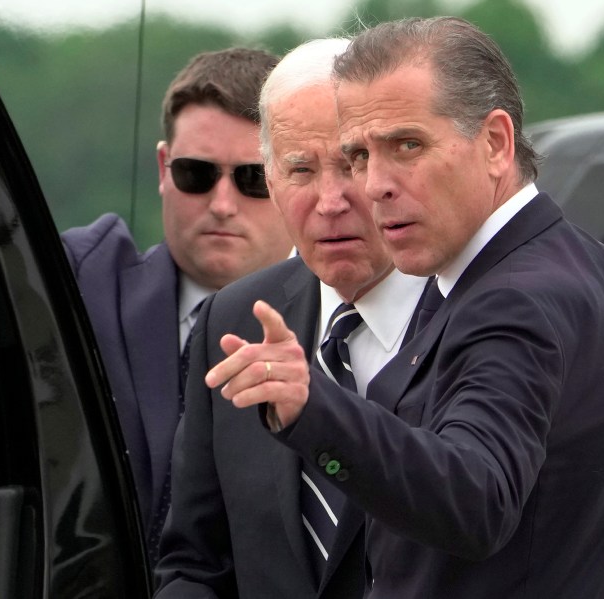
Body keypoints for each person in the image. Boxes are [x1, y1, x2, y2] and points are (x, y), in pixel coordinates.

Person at [206, 17, 604, 598]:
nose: (372, 185)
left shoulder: (510, 301)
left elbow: (476, 503)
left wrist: (312, 408)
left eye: (406, 146)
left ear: (495, 142)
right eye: (361, 154)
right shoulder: (601, 268)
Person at [153, 39, 429, 598]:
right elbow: (196, 562)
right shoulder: (232, 320)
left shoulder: (484, 312)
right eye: (300, 169)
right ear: (274, 180)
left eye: (353, 162)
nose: (330, 200)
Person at [61, 47, 293, 566]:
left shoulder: (340, 332)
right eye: (197, 173)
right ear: (164, 167)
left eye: (252, 178)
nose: (223, 203)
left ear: (293, 175)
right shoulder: (80, 284)